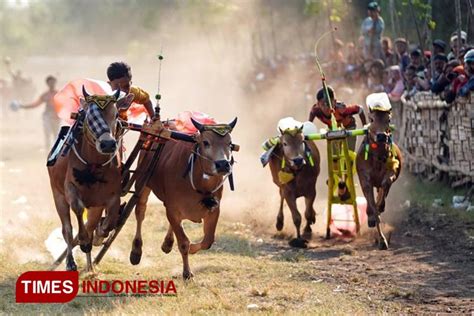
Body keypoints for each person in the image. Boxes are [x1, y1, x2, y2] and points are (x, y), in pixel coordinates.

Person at [309, 86, 367, 151]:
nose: (326, 107)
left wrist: (365, 127)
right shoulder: (316, 110)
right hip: (333, 129)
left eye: (329, 104)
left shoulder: (342, 110)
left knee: (349, 151)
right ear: (318, 104)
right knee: (334, 154)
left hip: (349, 127)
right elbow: (312, 113)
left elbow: (360, 109)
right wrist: (309, 124)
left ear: (334, 101)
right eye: (323, 104)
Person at [19, 75, 59, 150]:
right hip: (47, 116)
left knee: (56, 134)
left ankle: (56, 149)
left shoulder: (59, 94)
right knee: (47, 133)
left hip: (56, 116)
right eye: (50, 82)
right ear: (47, 83)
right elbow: (35, 104)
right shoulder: (45, 95)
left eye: (53, 82)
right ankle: (47, 149)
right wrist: (24, 106)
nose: (52, 84)